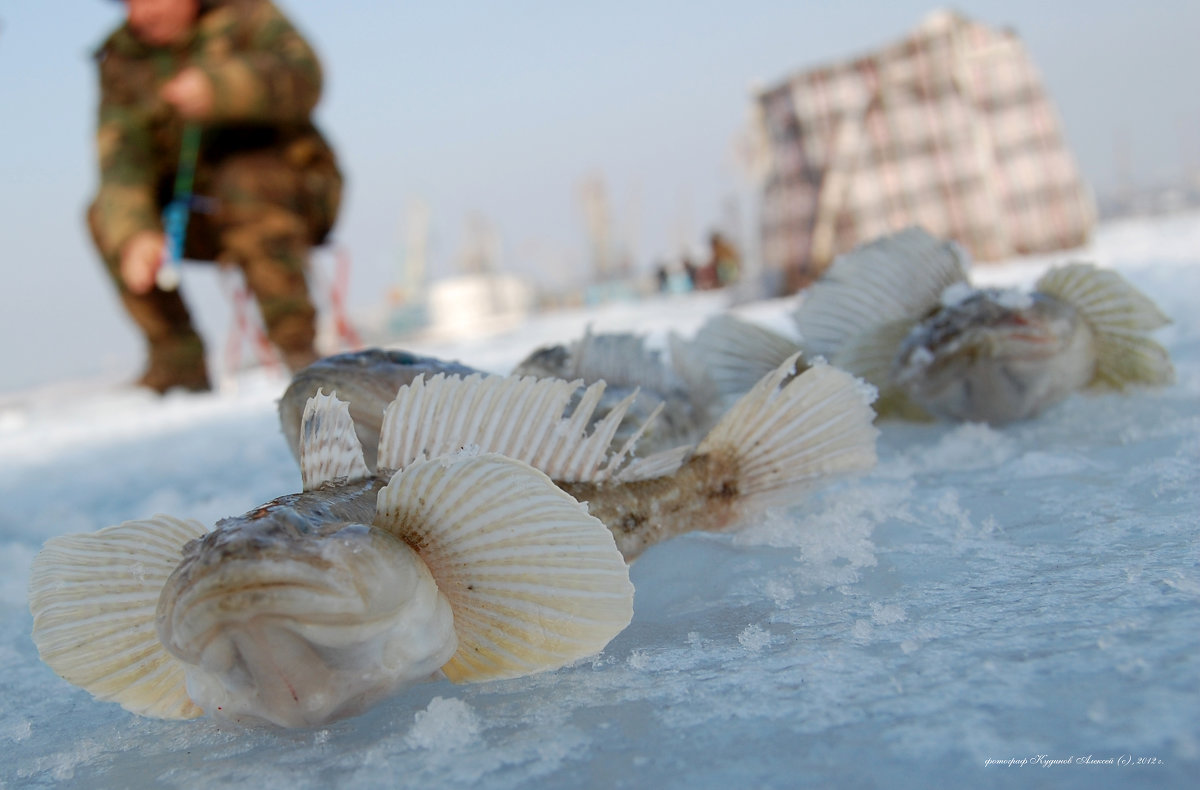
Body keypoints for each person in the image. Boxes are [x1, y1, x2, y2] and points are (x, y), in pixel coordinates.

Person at [88, 0, 342, 392]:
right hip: (196, 213)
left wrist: (224, 88)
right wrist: (135, 232)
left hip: (292, 194)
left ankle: (299, 348)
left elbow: (306, 76)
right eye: (126, 3)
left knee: (243, 175)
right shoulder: (123, 56)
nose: (138, 14)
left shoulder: (248, 13)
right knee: (106, 215)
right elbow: (121, 157)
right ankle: (179, 364)